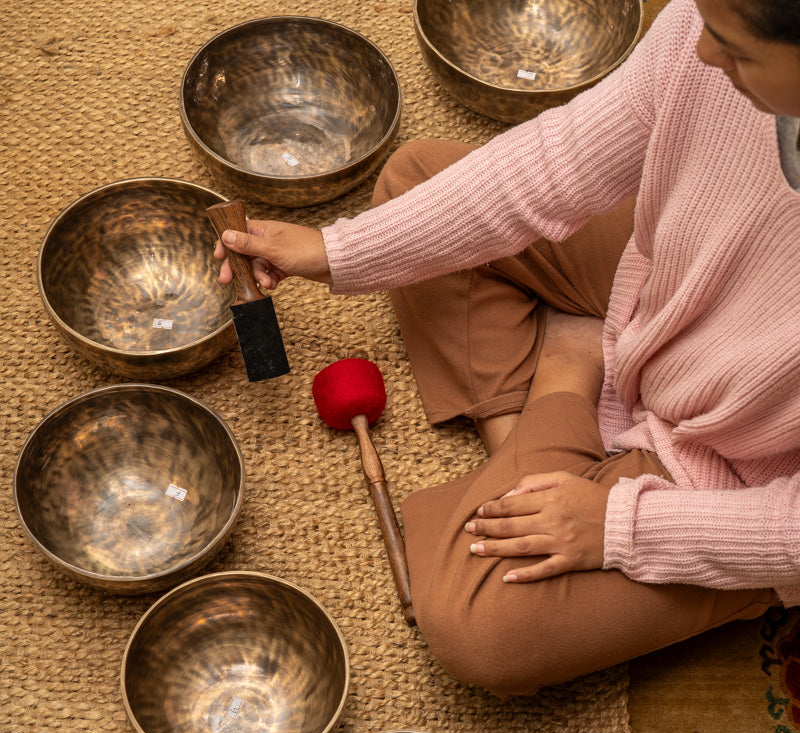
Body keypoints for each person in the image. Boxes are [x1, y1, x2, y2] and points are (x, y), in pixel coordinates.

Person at [215, 0, 800, 696]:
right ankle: (550, 438)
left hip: (742, 468)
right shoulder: (700, 30)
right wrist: (335, 251)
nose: (700, 52)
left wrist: (622, 524)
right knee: (414, 181)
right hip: (682, 289)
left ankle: (559, 384)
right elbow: (560, 161)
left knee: (480, 624)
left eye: (734, 48)